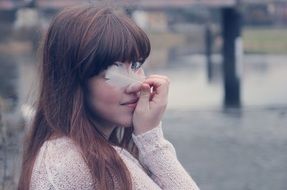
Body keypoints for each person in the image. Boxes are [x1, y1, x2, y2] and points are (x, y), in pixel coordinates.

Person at [18, 5, 200, 190]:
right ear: (73, 81)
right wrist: (151, 139)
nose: (136, 84)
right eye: (115, 70)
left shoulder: (70, 155)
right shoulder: (78, 164)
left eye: (136, 64)